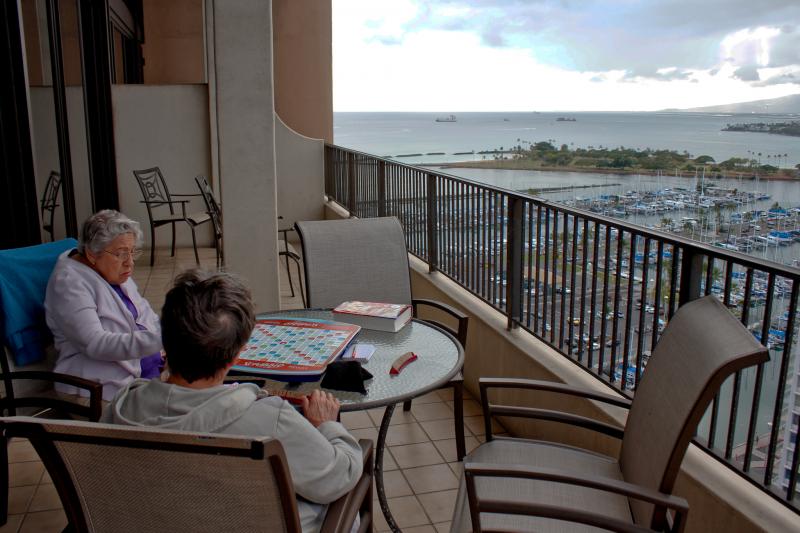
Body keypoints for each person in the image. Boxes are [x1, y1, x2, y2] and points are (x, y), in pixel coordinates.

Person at [102, 269, 363, 533]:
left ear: (165, 343)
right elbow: (339, 477)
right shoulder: (269, 421)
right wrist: (327, 425)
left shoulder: (122, 407)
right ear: (237, 355)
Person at [45, 210, 163, 401]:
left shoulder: (112, 271)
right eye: (121, 254)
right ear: (92, 254)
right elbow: (95, 343)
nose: (130, 263)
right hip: (99, 387)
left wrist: (165, 344)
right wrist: (162, 338)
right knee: (178, 413)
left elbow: (145, 314)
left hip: (145, 373)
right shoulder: (69, 284)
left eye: (132, 252)